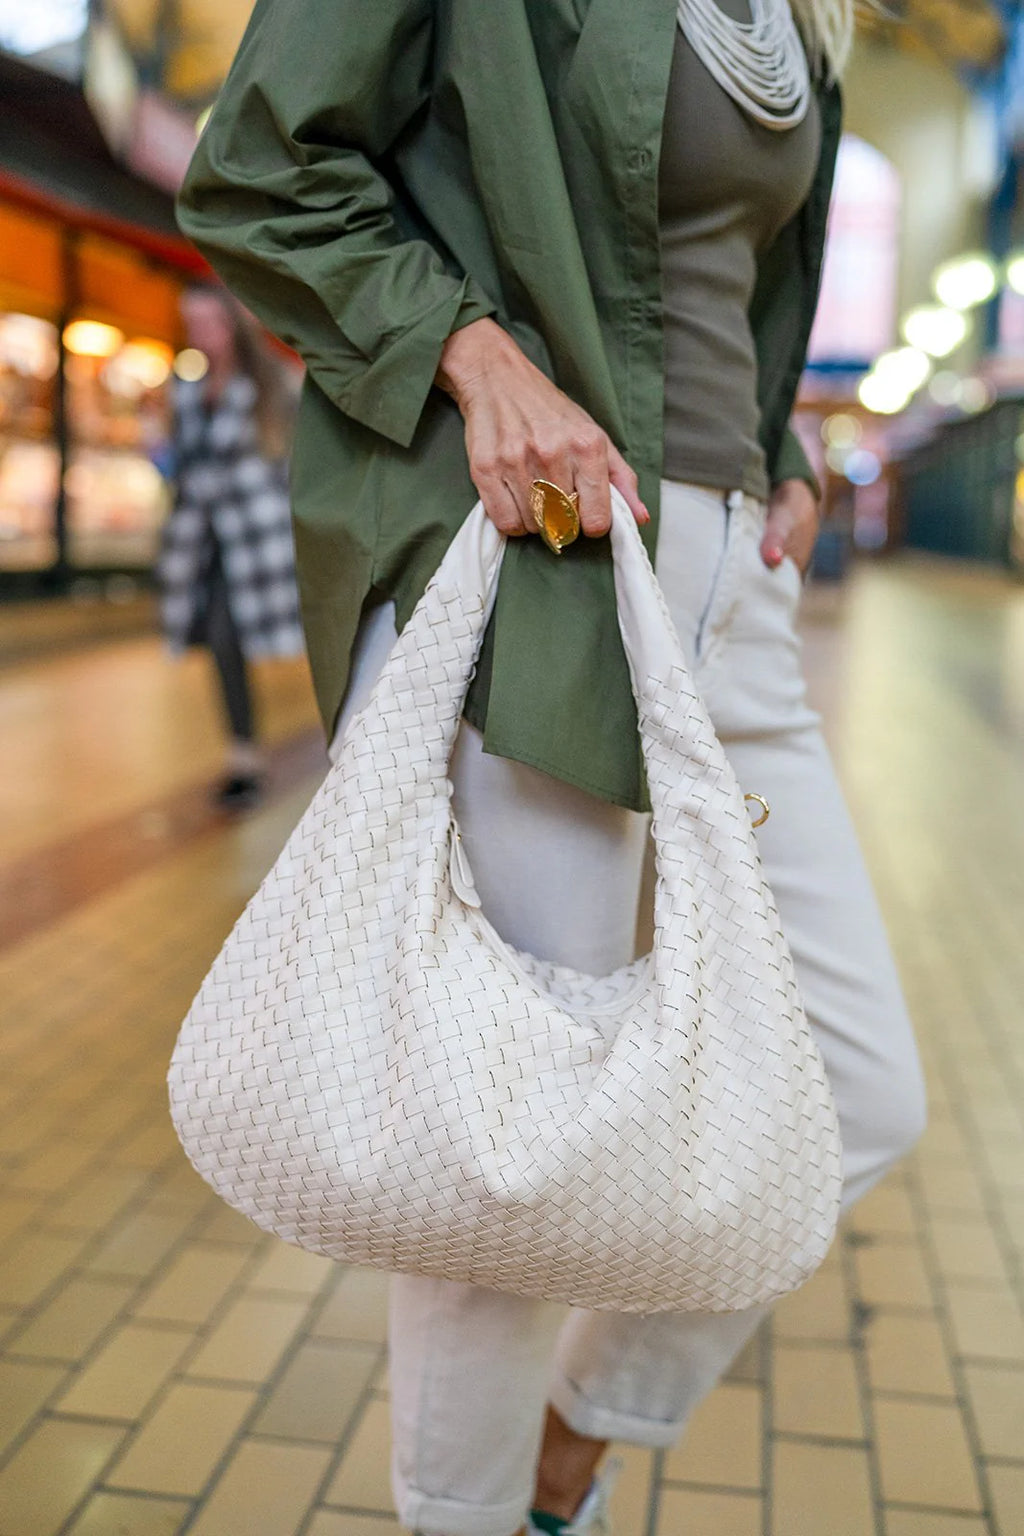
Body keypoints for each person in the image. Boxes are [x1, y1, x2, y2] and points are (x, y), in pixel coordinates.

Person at [177, 1, 927, 1532]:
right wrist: (469, 356)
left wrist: (773, 445)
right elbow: (260, 166)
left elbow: (715, 278)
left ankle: (562, 1458)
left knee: (860, 1084)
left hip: (732, 572)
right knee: (502, 1135)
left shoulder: (807, 19)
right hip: (545, 551)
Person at [157, 283, 303, 810]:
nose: (200, 334)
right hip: (205, 542)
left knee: (305, 640)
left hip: (263, 539)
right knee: (222, 641)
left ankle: (352, 745)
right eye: (191, 324)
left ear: (233, 323)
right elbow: (178, 464)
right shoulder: (186, 391)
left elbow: (295, 466)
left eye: (209, 322)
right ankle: (244, 758)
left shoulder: (271, 384)